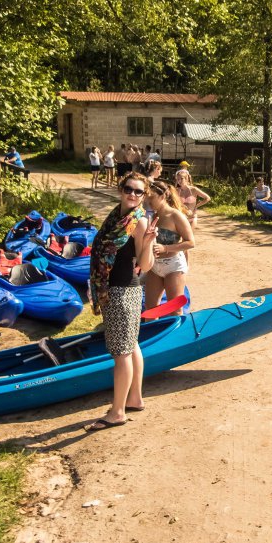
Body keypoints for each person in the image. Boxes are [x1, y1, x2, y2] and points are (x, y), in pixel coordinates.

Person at [85, 172, 157, 431]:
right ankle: (134, 398)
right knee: (131, 345)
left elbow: (146, 265)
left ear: (144, 195)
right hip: (116, 290)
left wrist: (148, 243)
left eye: (139, 192)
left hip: (122, 293)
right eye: (129, 189)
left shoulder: (138, 222)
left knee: (121, 353)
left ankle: (117, 412)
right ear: (121, 189)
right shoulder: (117, 215)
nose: (133, 195)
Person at [143, 181, 194, 316]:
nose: (148, 201)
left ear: (163, 196)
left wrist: (165, 248)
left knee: (175, 309)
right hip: (155, 266)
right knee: (150, 309)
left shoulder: (175, 215)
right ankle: (154, 335)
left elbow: (190, 243)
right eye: (146, 198)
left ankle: (178, 336)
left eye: (151, 197)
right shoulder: (153, 215)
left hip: (174, 266)